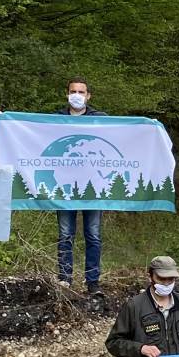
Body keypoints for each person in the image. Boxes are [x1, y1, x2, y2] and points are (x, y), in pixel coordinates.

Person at [56, 78, 104, 298]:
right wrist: (6, 120)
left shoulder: (100, 120)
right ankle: (65, 279)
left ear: (88, 96)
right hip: (64, 187)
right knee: (65, 234)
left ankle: (92, 281)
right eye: (73, 91)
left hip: (93, 188)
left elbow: (125, 132)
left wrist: (148, 126)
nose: (76, 95)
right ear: (67, 94)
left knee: (93, 235)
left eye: (81, 92)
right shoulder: (55, 120)